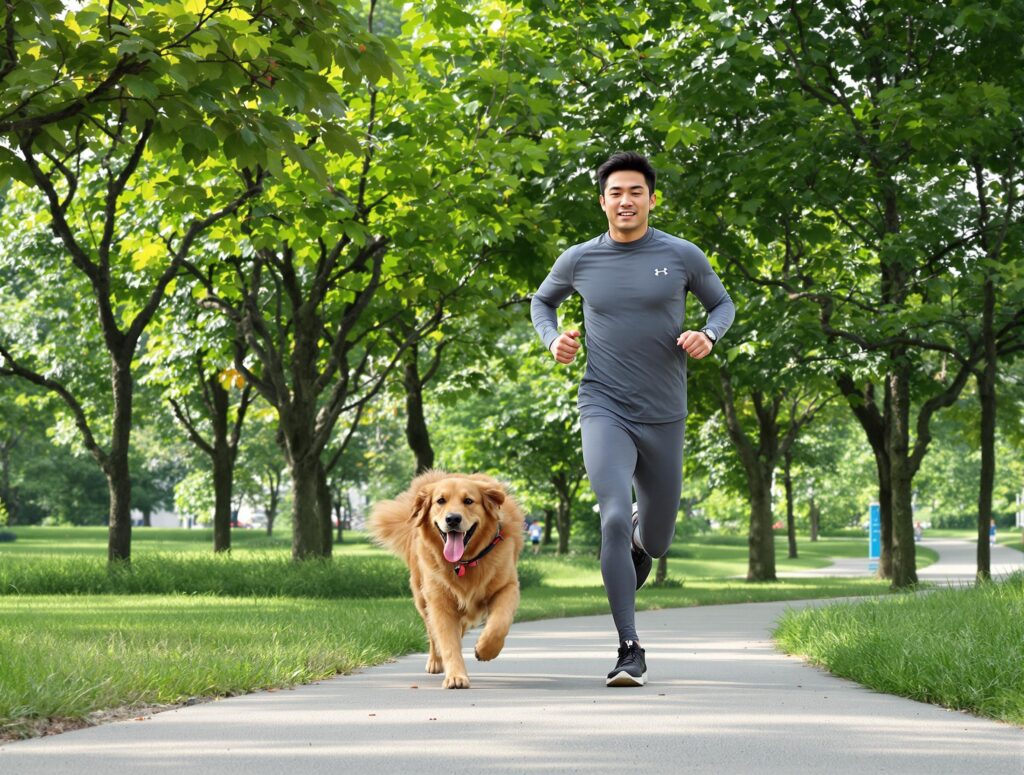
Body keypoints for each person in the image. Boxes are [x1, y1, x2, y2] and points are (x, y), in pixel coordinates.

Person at [531, 151, 735, 687]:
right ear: (603, 201)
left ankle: (645, 545)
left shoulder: (681, 254)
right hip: (604, 405)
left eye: (635, 192)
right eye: (616, 193)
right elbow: (541, 302)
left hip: (665, 414)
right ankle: (629, 647)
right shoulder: (579, 260)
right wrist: (555, 340)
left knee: (657, 539)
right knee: (614, 516)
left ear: (651, 198)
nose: (626, 201)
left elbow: (723, 305)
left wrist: (707, 335)